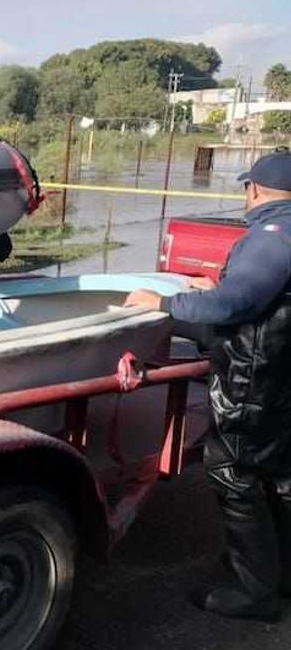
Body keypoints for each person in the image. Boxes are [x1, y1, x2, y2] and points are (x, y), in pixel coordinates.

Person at [125, 148, 291, 620]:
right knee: (279, 475)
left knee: (234, 473)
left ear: (254, 190)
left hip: (255, 379)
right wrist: (214, 289)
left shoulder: (272, 235)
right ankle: (278, 572)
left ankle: (253, 589)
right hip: (283, 379)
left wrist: (164, 304)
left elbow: (233, 306)